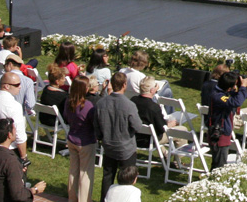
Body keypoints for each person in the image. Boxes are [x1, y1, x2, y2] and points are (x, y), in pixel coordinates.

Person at [93, 72, 142, 202]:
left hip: (108, 146)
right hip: (126, 148)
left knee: (107, 177)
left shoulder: (101, 103)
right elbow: (137, 126)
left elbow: (96, 125)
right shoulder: (129, 105)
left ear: (111, 84)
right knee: (127, 180)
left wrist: (101, 138)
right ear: (124, 85)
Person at [0, 118, 46, 201]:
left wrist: (17, 171)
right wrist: (35, 189)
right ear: (9, 135)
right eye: (14, 129)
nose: (15, 132)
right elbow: (18, 196)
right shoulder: (11, 161)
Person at [205, 71, 247, 169]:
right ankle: (214, 183)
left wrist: (245, 89)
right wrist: (242, 87)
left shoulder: (219, 91)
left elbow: (234, 97)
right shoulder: (218, 96)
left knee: (217, 164)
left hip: (221, 133)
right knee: (219, 167)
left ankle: (212, 181)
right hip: (219, 135)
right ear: (229, 87)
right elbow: (236, 102)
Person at [65, 75, 97, 202]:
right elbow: (94, 123)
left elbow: (66, 118)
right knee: (85, 174)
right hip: (86, 142)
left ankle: (72, 199)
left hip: (72, 139)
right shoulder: (88, 106)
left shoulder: (68, 102)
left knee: (73, 171)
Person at [131, 77, 175, 149]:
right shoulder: (154, 107)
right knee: (182, 130)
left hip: (133, 137)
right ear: (152, 90)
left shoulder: (133, 100)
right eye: (155, 86)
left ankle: (165, 154)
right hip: (149, 141)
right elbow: (162, 128)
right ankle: (177, 159)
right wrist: (170, 124)